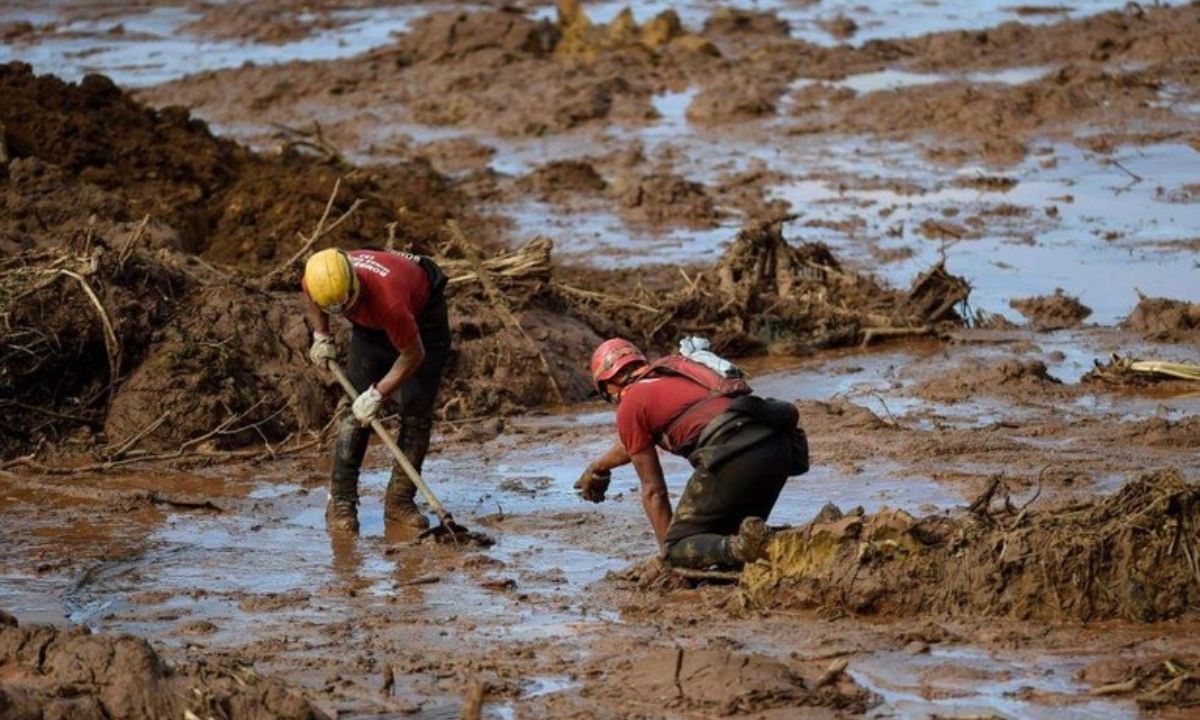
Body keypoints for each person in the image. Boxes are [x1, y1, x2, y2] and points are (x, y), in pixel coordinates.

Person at [576, 339, 808, 569]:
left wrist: (669, 554)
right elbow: (631, 445)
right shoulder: (675, 368)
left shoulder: (630, 405)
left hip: (734, 453)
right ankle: (795, 540)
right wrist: (598, 467)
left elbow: (654, 492)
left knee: (680, 547)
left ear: (607, 386)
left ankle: (740, 548)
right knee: (727, 534)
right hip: (778, 445)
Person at [302, 247, 451, 533]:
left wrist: (378, 394)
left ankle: (400, 502)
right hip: (371, 322)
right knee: (352, 412)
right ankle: (341, 501)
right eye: (335, 309)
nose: (341, 313)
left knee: (416, 416)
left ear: (355, 284)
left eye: (346, 305)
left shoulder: (390, 301)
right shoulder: (318, 278)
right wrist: (321, 335)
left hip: (421, 320)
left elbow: (413, 354)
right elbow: (311, 297)